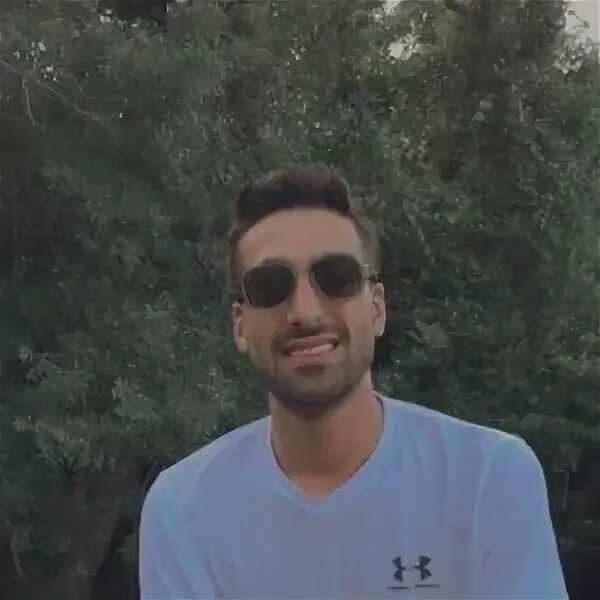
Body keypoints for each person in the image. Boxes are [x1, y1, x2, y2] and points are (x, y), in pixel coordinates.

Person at [139, 163, 568, 599]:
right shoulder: (184, 510)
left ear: (377, 308)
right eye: (270, 286)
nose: (305, 311)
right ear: (240, 325)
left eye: (336, 278)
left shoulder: (488, 479)